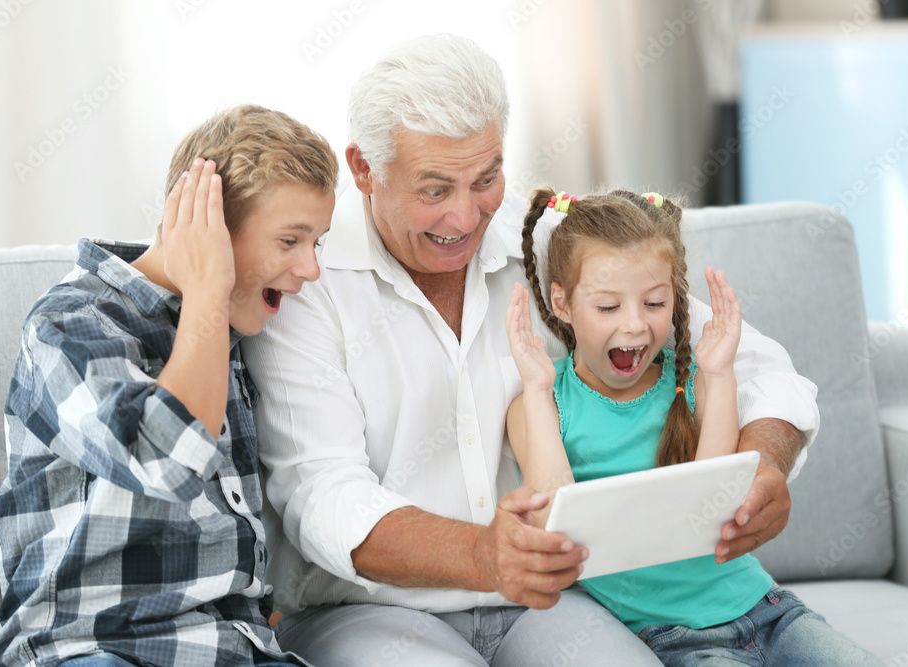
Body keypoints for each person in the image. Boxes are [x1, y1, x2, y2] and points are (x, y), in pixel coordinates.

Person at [243, 35, 820, 665]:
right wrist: (483, 554)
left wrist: (764, 462)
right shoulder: (307, 278)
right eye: (434, 190)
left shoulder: (548, 243)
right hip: (367, 610)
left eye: (485, 179)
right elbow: (321, 495)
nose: (466, 218)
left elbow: (750, 363)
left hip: (546, 605)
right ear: (363, 169)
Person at [0, 105, 338, 667]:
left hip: (230, 649)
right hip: (92, 646)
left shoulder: (232, 334)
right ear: (207, 230)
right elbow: (168, 460)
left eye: (316, 242)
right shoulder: (70, 324)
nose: (310, 270)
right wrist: (207, 286)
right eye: (289, 240)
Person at [505, 186, 881, 665]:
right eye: (608, 307)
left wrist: (720, 374)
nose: (635, 325)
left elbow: (717, 501)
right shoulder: (541, 404)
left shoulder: (693, 380)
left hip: (767, 609)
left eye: (654, 303)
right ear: (562, 303)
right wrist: (538, 388)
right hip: (675, 637)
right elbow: (553, 522)